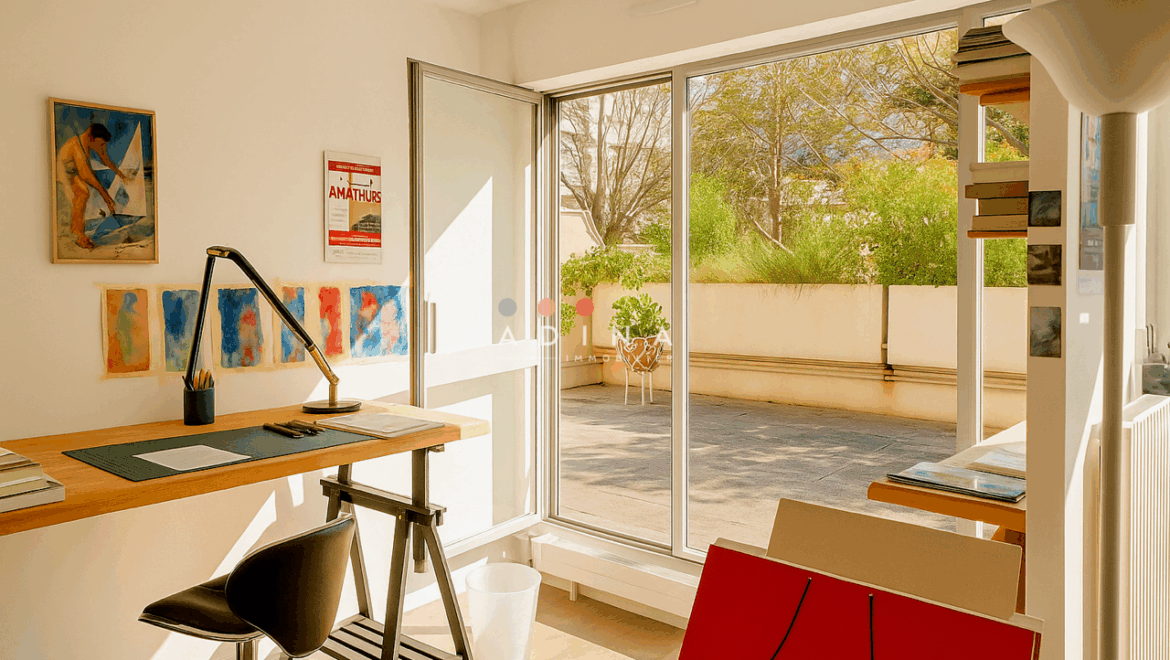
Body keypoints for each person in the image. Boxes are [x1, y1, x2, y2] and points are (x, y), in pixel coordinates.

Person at [55, 123, 130, 249]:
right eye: (101, 144)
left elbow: (104, 157)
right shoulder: (76, 145)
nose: (102, 147)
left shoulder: (92, 141)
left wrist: (120, 174)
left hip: (73, 171)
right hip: (63, 171)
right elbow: (87, 176)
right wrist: (108, 199)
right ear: (91, 137)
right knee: (82, 193)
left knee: (85, 193)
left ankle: (79, 232)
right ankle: (78, 234)